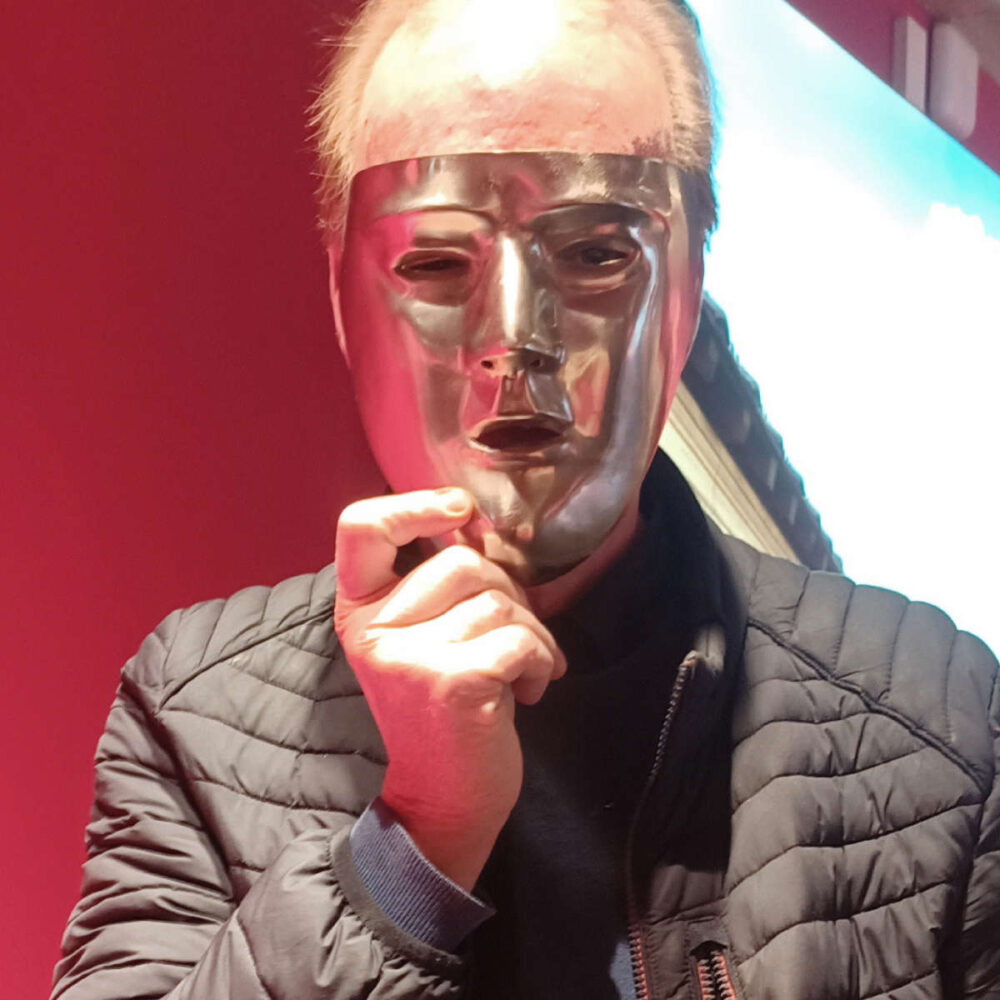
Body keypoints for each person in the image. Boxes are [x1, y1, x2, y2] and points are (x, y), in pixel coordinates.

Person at [52, 1, 1000, 998]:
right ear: (343, 299)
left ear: (686, 295)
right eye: (433, 260)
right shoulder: (192, 714)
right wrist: (410, 850)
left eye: (595, 253)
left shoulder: (937, 722)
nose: (513, 340)